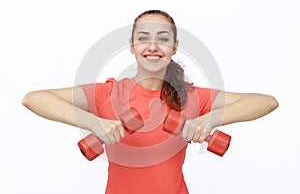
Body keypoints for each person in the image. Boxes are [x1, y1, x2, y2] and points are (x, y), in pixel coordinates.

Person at [22, 10, 278, 194]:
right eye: (143, 38)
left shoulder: (190, 96)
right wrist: (94, 122)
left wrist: (208, 119)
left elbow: (266, 102)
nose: (153, 46)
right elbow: (33, 99)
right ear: (132, 46)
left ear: (174, 47)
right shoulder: (107, 94)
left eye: (163, 39)